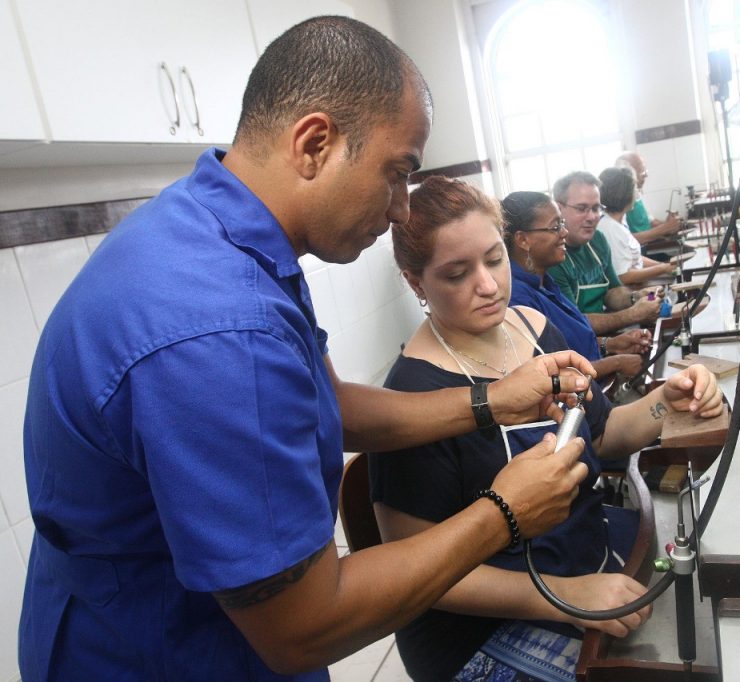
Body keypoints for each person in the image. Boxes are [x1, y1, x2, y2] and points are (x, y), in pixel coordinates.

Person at [19, 17, 598, 681]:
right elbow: (303, 628)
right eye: (397, 173)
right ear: (315, 143)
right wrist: (503, 515)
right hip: (162, 653)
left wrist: (493, 400)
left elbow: (331, 405)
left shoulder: (225, 231)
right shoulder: (217, 331)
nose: (402, 210)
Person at [370, 176, 723, 681]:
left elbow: (602, 436)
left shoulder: (531, 327)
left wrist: (663, 405)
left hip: (585, 555)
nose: (488, 286)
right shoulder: (411, 400)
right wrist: (562, 598)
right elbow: (420, 576)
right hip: (486, 627)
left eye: (494, 260)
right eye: (456, 274)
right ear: (415, 282)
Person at [502, 190, 651, 382]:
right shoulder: (518, 299)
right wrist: (616, 363)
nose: (564, 232)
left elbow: (569, 344)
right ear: (523, 240)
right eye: (555, 227)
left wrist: (611, 344)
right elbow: (551, 374)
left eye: (562, 224)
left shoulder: (545, 282)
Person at [546, 171, 664, 337]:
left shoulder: (598, 240)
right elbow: (575, 322)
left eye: (596, 208)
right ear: (559, 209)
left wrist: (635, 297)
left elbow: (613, 292)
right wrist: (633, 314)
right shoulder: (553, 258)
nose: (592, 217)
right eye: (582, 208)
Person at [596, 166, 679, 286]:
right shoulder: (609, 228)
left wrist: (665, 266)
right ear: (624, 194)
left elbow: (635, 259)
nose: (637, 193)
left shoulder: (619, 220)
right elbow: (623, 276)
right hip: (628, 293)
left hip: (638, 285)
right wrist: (663, 269)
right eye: (635, 188)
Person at [616, 151, 683, 246]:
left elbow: (650, 221)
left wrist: (670, 225)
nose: (646, 175)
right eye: (642, 171)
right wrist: (665, 229)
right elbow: (626, 240)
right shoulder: (617, 204)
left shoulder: (637, 193)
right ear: (629, 174)